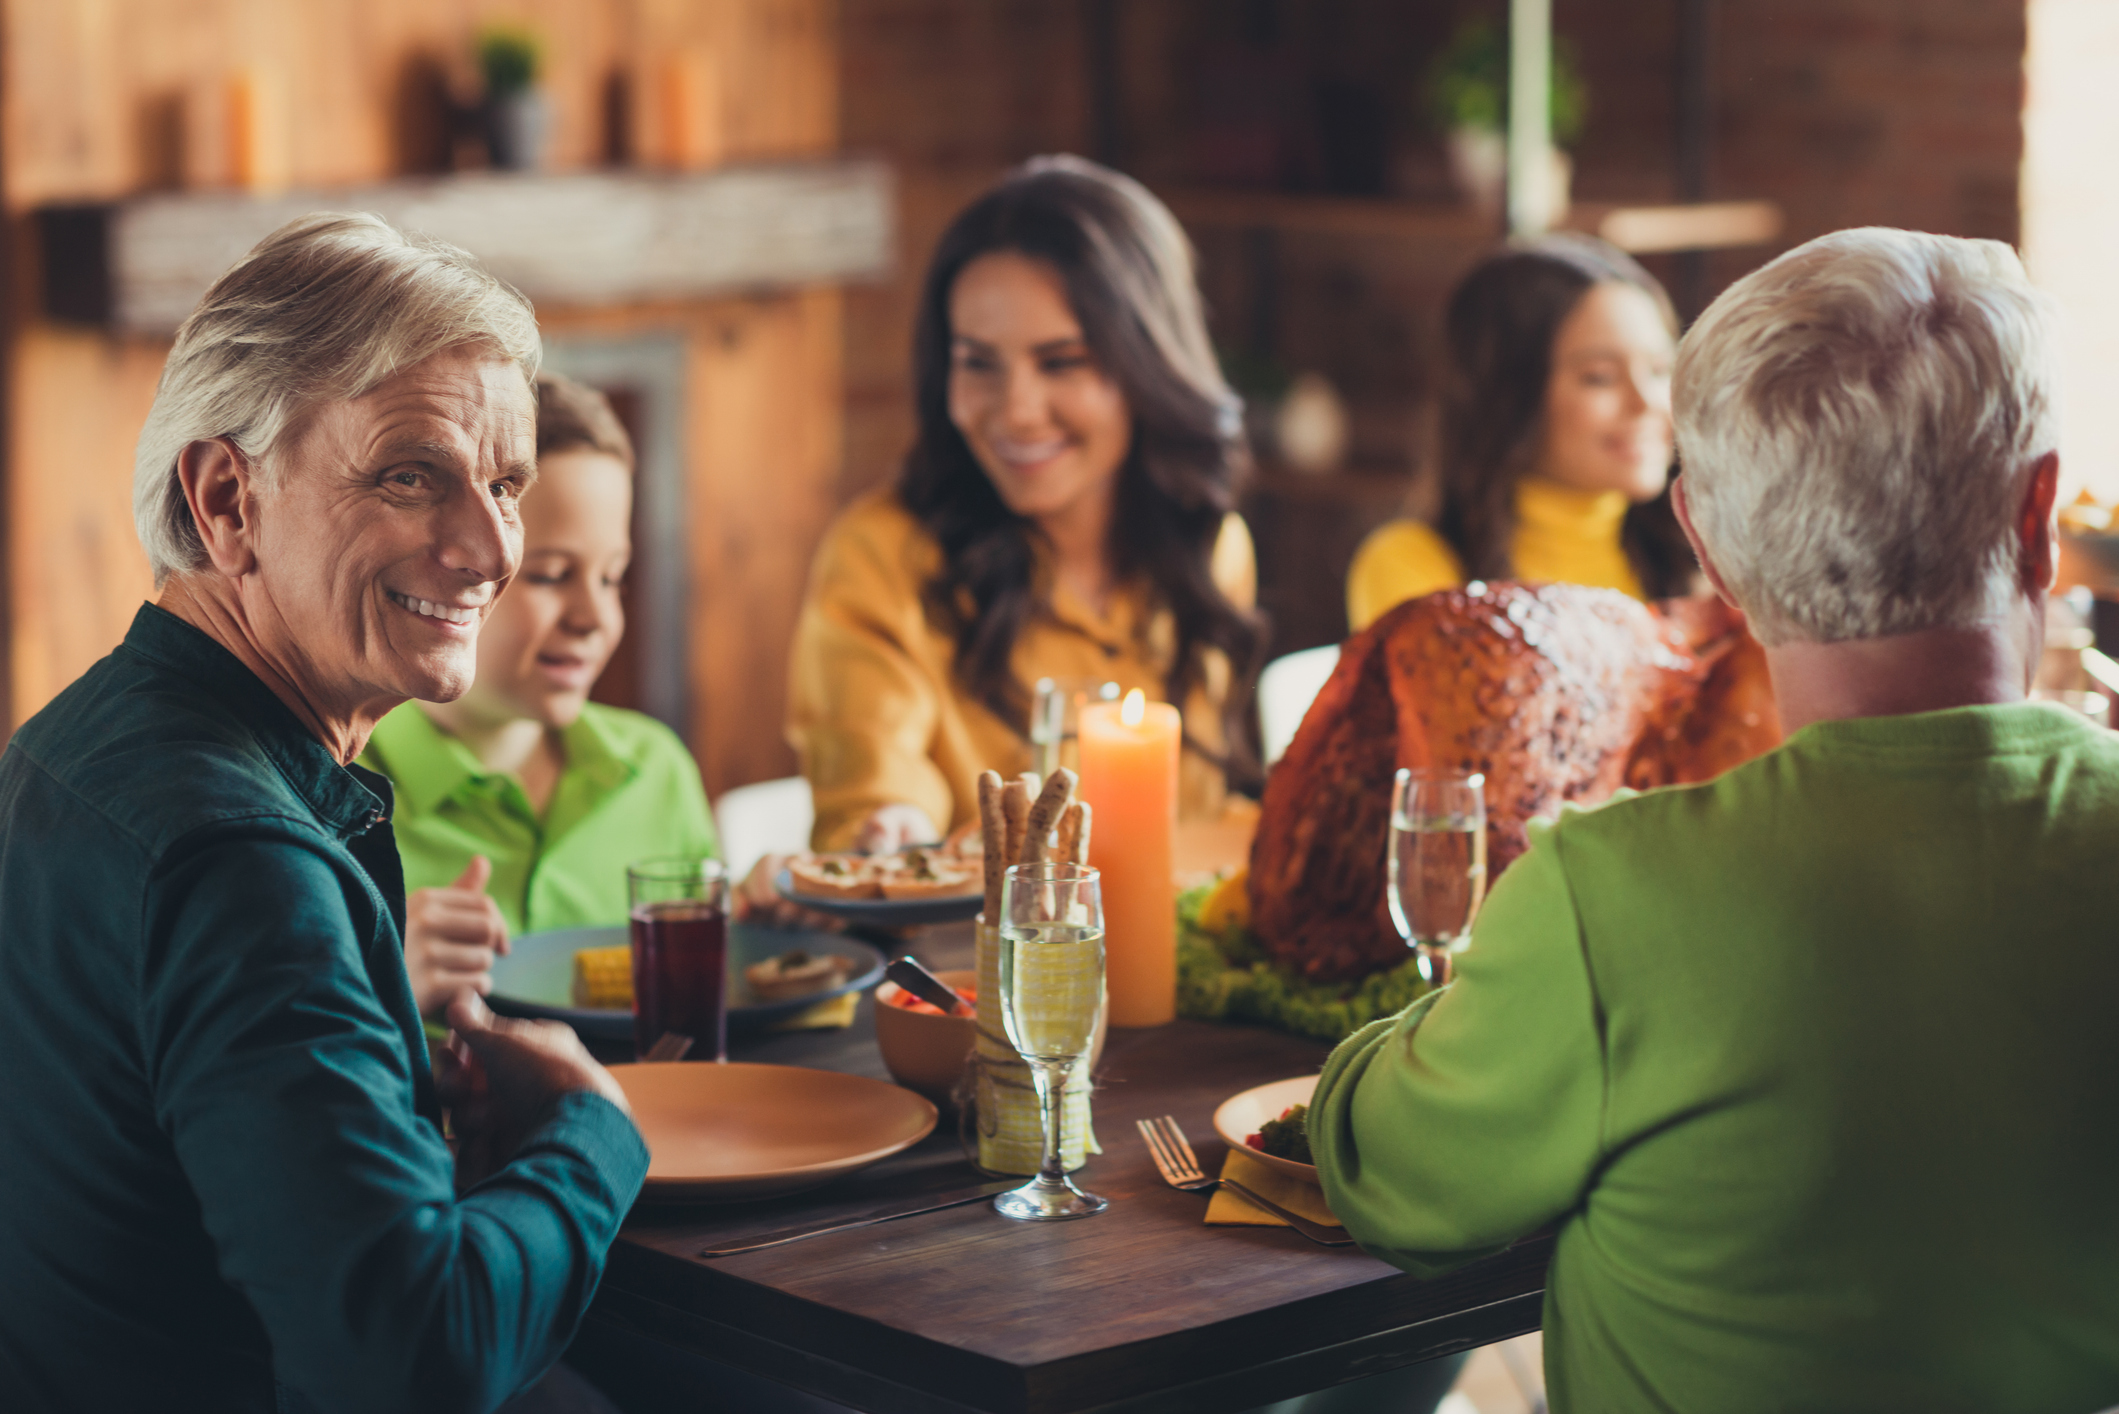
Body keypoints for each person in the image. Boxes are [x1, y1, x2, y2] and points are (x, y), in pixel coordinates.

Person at [1309, 228, 2119, 1410]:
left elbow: (1382, 1179)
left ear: (1707, 544)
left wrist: (1519, 961)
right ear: (2038, 509)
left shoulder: (1611, 895)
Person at [0, 214, 647, 1412]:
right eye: (411, 474)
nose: (490, 547)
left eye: (507, 485)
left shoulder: (62, 744)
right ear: (225, 500)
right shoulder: (240, 860)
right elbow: (410, 1357)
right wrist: (597, 1135)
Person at [785, 155, 1265, 853]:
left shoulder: (1208, 544)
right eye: (978, 362)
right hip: (970, 957)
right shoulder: (880, 554)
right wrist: (892, 833)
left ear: (1146, 365)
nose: (1015, 411)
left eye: (1061, 362)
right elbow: (875, 793)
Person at [361, 372, 719, 1018]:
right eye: (552, 574)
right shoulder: (345, 796)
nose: (594, 616)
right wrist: (386, 988)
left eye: (612, 578)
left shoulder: (657, 771)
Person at [1344, 234, 1696, 632]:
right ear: (1508, 397)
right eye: (1600, 377)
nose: (1645, 401)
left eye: (1659, 370)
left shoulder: (1702, 567)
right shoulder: (1413, 568)